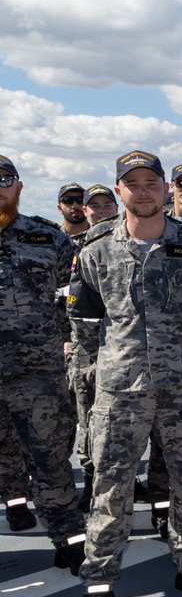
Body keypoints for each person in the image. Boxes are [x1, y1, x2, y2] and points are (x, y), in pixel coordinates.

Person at [66, 149, 182, 597]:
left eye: (150, 183)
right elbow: (84, 321)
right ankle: (98, 585)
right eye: (132, 184)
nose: (142, 192)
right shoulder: (96, 250)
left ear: (165, 189)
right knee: (110, 486)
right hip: (121, 392)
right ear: (119, 190)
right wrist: (117, 363)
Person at [0, 154, 87, 570]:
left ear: (18, 188)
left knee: (51, 460)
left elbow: (73, 300)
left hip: (36, 376)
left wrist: (69, 342)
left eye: (4, 180)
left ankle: (69, 539)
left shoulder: (47, 239)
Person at [70, 184, 121, 511]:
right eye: (94, 206)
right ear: (85, 211)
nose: (101, 211)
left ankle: (128, 482)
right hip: (86, 352)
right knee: (88, 418)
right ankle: (90, 479)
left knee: (121, 422)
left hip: (122, 352)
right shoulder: (72, 247)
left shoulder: (123, 244)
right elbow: (65, 301)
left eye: (107, 206)